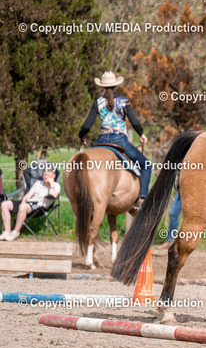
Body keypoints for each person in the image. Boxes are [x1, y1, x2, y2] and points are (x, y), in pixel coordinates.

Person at [78, 71, 150, 207]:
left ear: (102, 86)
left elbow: (87, 125)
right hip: (120, 140)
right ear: (115, 85)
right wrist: (141, 133)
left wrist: (81, 136)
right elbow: (134, 121)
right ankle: (142, 197)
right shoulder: (124, 101)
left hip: (101, 141)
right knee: (146, 165)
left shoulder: (97, 103)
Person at [0, 166, 61, 241]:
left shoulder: (56, 186)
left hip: (39, 206)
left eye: (48, 175)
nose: (46, 177)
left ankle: (15, 232)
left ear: (53, 176)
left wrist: (51, 184)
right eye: (44, 174)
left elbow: (53, 195)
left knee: (23, 207)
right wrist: (23, 201)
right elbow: (28, 195)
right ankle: (7, 231)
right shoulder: (38, 183)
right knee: (4, 204)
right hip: (28, 203)